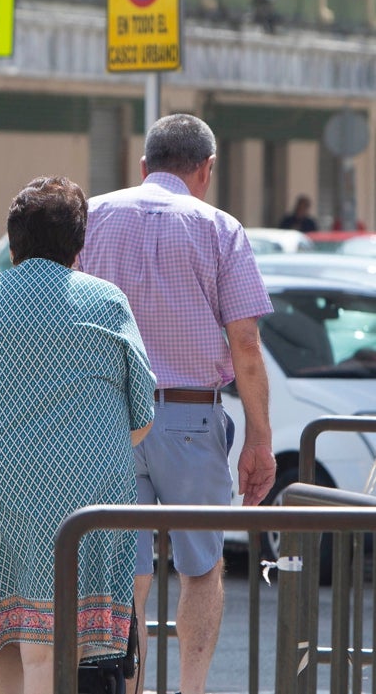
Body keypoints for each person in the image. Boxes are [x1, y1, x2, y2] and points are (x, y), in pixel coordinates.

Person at [0, 175, 156, 694]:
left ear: (13, 238)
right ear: (78, 241)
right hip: (87, 500)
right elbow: (142, 415)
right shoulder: (107, 302)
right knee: (59, 648)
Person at [76, 114, 277, 694]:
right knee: (201, 568)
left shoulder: (93, 216)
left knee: (126, 573)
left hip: (108, 417)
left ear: (143, 166)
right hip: (191, 415)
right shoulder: (221, 229)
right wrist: (260, 441)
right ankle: (190, 690)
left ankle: (129, 686)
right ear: (206, 170)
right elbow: (245, 344)